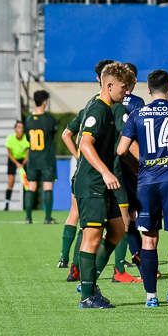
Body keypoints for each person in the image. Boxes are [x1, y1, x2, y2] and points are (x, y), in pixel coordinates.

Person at [118, 69, 168, 309]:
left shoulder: (138, 113)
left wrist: (141, 163)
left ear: (148, 90)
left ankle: (151, 296)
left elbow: (121, 149)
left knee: (148, 240)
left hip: (146, 183)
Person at [71, 62, 134, 308]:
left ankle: (90, 280)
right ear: (109, 85)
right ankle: (87, 295)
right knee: (92, 236)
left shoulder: (110, 109)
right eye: (124, 86)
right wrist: (106, 172)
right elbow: (85, 143)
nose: (127, 91)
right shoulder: (98, 109)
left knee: (118, 230)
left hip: (103, 184)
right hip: (92, 183)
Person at [57, 59, 113, 276]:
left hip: (83, 167)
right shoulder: (101, 108)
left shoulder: (89, 104)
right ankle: (109, 270)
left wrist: (79, 156)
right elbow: (83, 140)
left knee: (77, 215)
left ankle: (68, 260)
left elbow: (66, 134)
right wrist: (84, 155)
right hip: (95, 170)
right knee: (96, 225)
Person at [109, 62, 145, 284]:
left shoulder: (101, 102)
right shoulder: (136, 103)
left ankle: (76, 266)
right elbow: (134, 136)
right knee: (126, 218)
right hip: (125, 167)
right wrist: (144, 164)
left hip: (106, 166)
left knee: (91, 223)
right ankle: (121, 268)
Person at [23, 90, 59, 224]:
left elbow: (28, 138)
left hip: (32, 159)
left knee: (31, 187)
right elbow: (53, 134)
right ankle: (48, 218)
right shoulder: (49, 119)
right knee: (48, 187)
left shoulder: (28, 120)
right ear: (45, 102)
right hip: (46, 159)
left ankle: (28, 218)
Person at [4, 120, 29, 211]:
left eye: (22, 127)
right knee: (11, 181)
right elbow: (9, 154)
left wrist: (23, 163)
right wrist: (17, 164)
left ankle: (28, 205)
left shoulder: (26, 138)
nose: (20, 129)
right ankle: (6, 204)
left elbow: (27, 154)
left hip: (23, 160)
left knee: (26, 181)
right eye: (18, 127)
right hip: (13, 160)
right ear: (15, 129)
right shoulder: (10, 138)